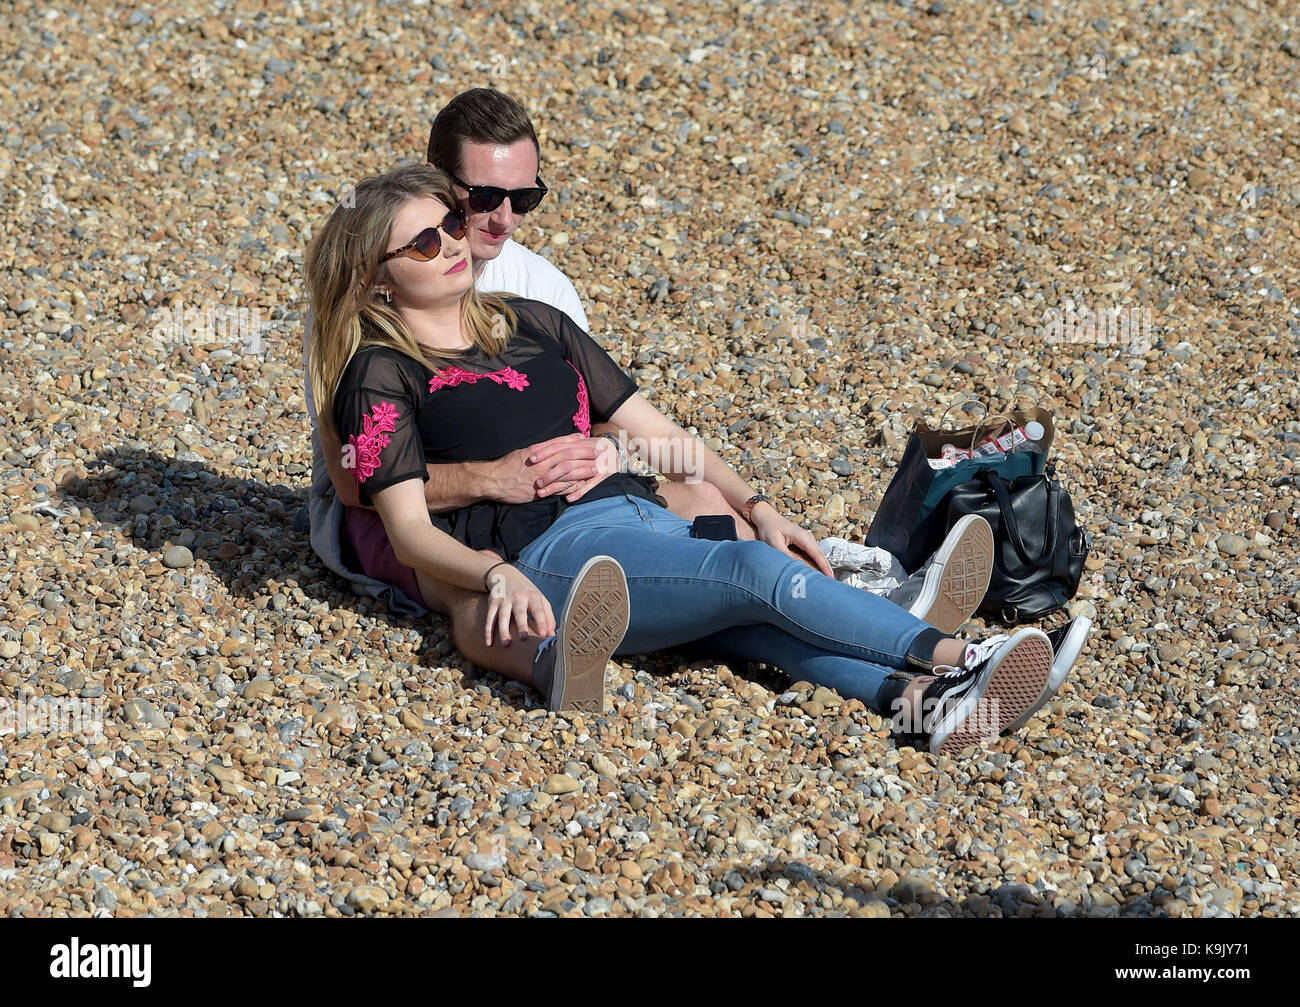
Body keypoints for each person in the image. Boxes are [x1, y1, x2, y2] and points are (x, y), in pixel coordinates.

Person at [305, 162, 1066, 756]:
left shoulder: (534, 322)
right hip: (546, 549)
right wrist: (495, 572)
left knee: (753, 623)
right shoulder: (380, 371)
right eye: (423, 242)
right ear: (376, 274)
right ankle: (960, 656)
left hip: (637, 510)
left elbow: (662, 436)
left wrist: (760, 505)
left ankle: (923, 704)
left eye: (450, 224)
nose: (451, 244)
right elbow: (405, 529)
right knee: (753, 576)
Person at [302, 88, 1007, 638]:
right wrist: (496, 479)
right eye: (480, 199)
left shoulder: (541, 293)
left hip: (545, 499)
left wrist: (728, 493)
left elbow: (599, 419)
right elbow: (359, 485)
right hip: (413, 517)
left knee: (702, 499)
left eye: (525, 198)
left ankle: (845, 588)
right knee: (488, 593)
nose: (502, 219)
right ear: (436, 184)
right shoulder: (368, 308)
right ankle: (565, 650)